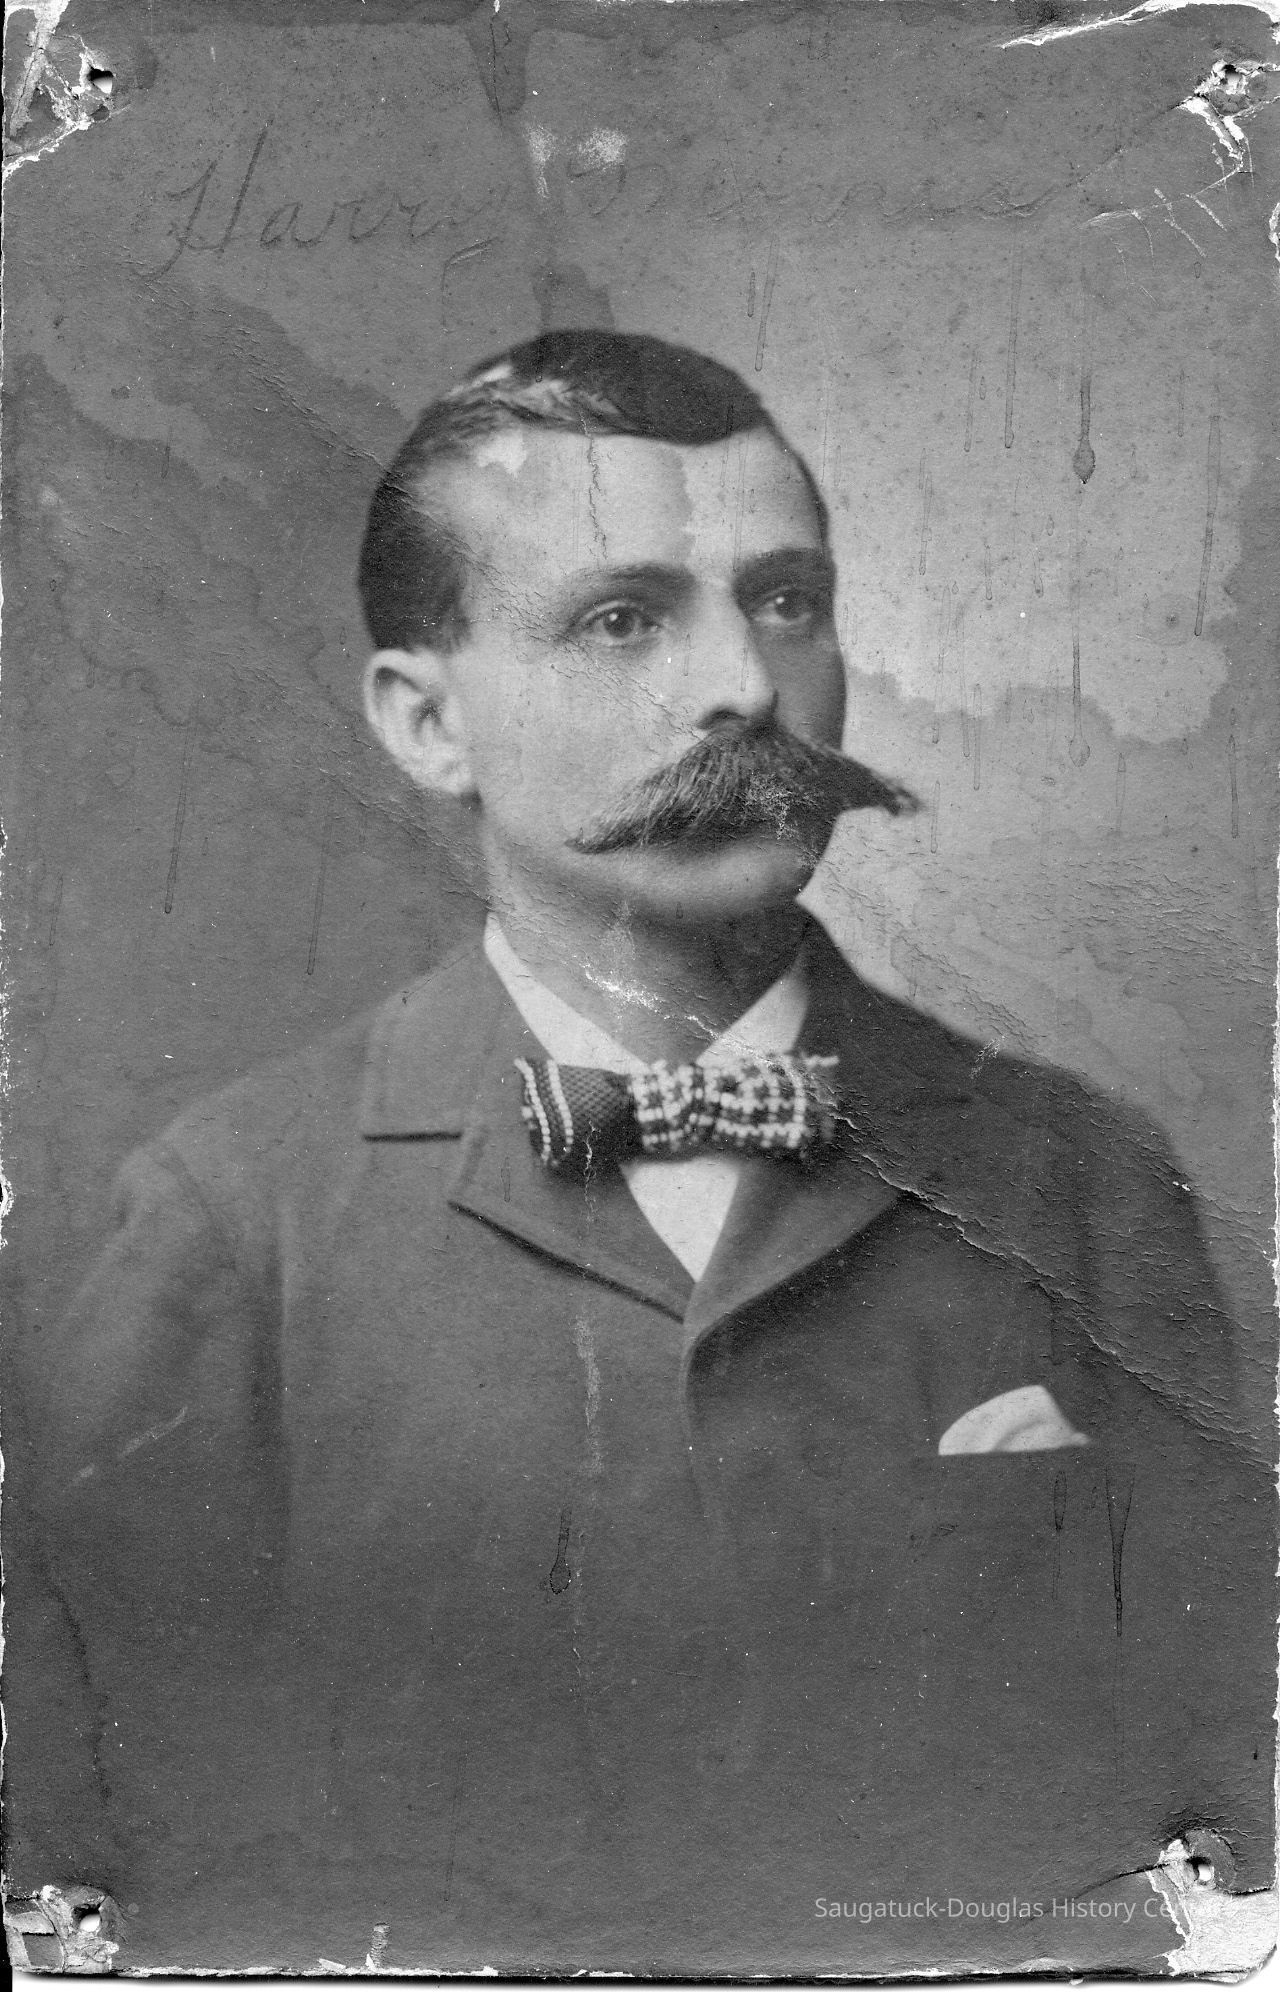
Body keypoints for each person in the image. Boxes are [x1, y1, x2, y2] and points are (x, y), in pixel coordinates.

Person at [35, 332, 1272, 1973]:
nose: (744, 687)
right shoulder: (231, 1220)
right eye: (623, 619)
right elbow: (124, 1849)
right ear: (426, 721)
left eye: (787, 600)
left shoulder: (1085, 1177)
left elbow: (1218, 1822)